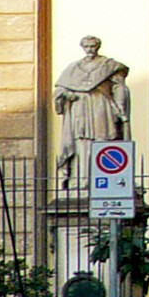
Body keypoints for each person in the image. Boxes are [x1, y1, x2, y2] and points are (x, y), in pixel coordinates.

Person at [53, 35, 131, 189]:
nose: (89, 50)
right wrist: (67, 95)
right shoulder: (73, 68)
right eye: (86, 47)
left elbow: (119, 87)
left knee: (103, 141)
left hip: (101, 106)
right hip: (79, 108)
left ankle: (103, 180)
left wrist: (120, 106)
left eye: (92, 47)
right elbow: (60, 89)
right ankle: (79, 180)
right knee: (80, 144)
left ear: (97, 47)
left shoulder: (109, 65)